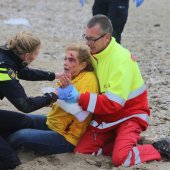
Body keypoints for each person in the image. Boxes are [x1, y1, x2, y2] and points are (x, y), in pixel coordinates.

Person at [57, 15, 170, 167]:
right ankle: (124, 143)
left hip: (130, 114)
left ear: (107, 37)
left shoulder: (121, 60)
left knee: (120, 159)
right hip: (106, 118)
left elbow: (112, 103)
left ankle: (157, 149)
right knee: (82, 153)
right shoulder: (94, 52)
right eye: (86, 37)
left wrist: (78, 98)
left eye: (92, 39)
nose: (87, 43)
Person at [7, 44, 99, 155]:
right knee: (17, 121)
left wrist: (60, 96)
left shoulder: (89, 81)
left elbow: (82, 115)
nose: (65, 63)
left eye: (71, 60)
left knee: (20, 136)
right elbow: (61, 100)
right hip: (52, 123)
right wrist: (51, 100)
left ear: (83, 65)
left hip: (66, 136)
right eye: (65, 59)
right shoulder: (72, 75)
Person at [0, 32, 60, 169]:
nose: (36, 56)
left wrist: (54, 75)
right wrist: (51, 96)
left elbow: (23, 72)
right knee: (10, 162)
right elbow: (25, 105)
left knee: (24, 121)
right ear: (27, 56)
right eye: (36, 54)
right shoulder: (3, 68)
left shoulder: (6, 54)